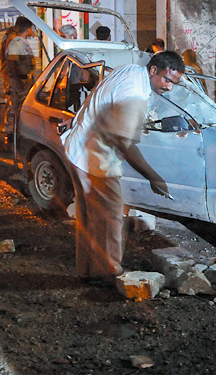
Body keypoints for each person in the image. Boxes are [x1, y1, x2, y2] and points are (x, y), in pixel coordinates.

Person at [62, 51, 180, 283]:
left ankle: (87, 271)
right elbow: (125, 143)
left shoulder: (130, 70)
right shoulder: (134, 93)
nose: (169, 87)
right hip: (96, 160)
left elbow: (96, 94)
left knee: (90, 218)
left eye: (174, 83)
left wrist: (78, 119)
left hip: (78, 148)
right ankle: (108, 274)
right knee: (111, 218)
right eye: (167, 79)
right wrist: (153, 177)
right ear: (153, 70)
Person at [1, 17, 36, 147]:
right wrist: (19, 80)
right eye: (31, 28)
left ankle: (19, 133)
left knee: (21, 108)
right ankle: (10, 137)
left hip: (24, 81)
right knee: (13, 107)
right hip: (18, 82)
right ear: (27, 29)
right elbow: (12, 63)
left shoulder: (22, 42)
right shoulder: (15, 43)